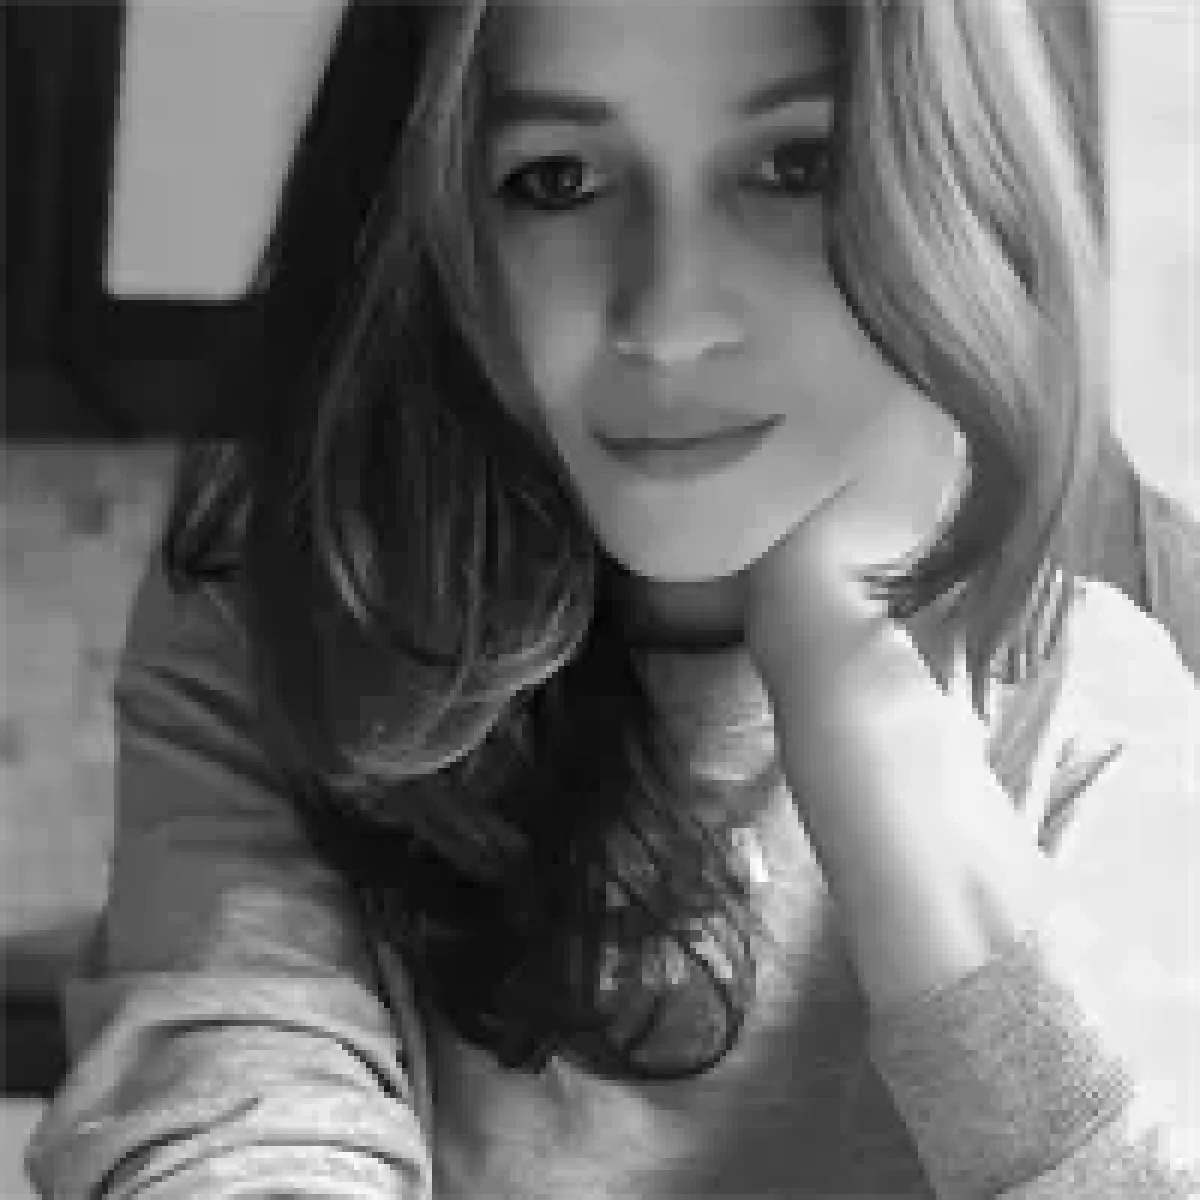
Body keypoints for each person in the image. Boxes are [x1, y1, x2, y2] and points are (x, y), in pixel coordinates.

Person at [24, 0, 1199, 1195]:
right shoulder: (286, 624)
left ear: (964, 203)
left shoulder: (1094, 704)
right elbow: (239, 1132)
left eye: (798, 166)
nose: (669, 321)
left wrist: (864, 707)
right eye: (556, 181)